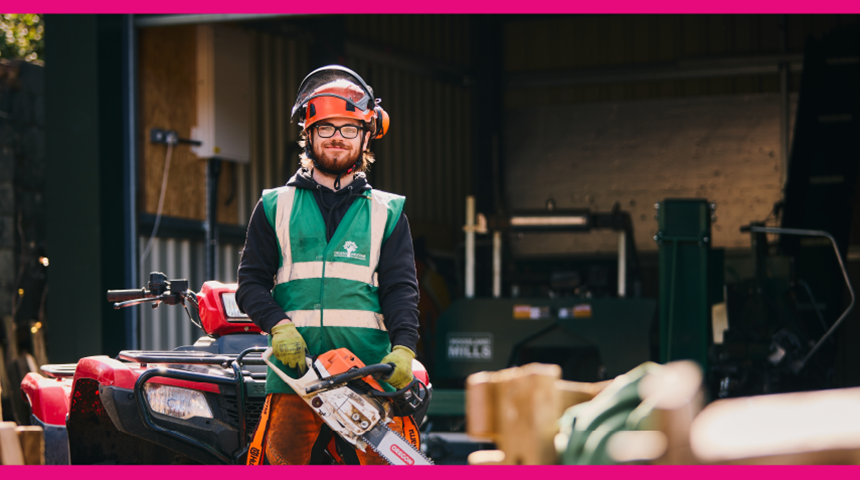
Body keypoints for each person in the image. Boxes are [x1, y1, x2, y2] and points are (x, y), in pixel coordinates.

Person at [236, 65, 421, 465]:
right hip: (295, 375)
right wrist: (278, 325)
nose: (337, 138)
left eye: (349, 128)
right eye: (326, 128)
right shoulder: (274, 206)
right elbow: (250, 282)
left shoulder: (387, 212)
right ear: (308, 133)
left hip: (368, 373)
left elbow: (400, 290)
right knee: (281, 461)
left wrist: (404, 348)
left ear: (367, 135)